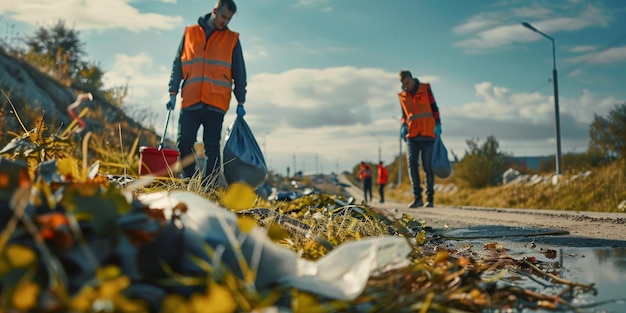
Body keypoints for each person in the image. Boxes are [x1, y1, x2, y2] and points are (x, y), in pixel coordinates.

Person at [167, 0, 247, 186]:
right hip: (191, 99)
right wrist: (173, 91)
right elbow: (178, 63)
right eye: (223, 16)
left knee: (212, 148)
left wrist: (241, 101)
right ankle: (189, 182)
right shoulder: (190, 33)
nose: (225, 22)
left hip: (216, 101)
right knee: (184, 144)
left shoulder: (232, 39)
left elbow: (240, 72)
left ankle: (207, 188)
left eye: (229, 19)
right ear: (215, 11)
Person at [398, 70, 442, 208]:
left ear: (412, 79)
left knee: (428, 167)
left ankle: (430, 198)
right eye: (403, 84)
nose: (406, 86)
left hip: (428, 133)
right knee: (412, 164)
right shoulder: (402, 96)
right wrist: (403, 124)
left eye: (408, 83)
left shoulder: (425, 88)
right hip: (412, 135)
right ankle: (417, 197)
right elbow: (404, 114)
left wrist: (438, 123)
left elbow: (434, 107)